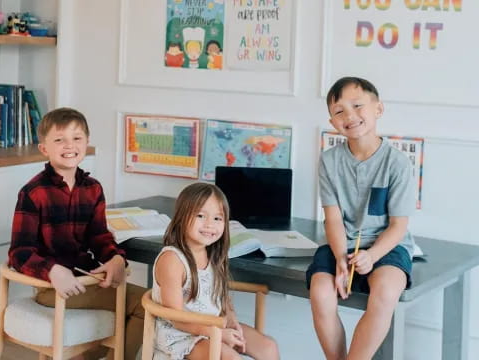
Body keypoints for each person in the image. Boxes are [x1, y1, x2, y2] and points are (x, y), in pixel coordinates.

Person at [8, 107, 146, 360]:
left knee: (145, 304)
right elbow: (19, 252)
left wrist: (116, 259)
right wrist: (53, 270)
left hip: (86, 280)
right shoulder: (33, 192)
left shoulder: (93, 189)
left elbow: (100, 237)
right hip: (51, 287)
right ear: (44, 148)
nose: (69, 145)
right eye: (59, 139)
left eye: (77, 138)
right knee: (146, 306)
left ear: (87, 143)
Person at [306, 77, 415, 360]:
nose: (350, 116)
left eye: (357, 106)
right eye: (340, 111)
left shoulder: (397, 163)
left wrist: (373, 254)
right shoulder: (329, 161)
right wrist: (341, 257)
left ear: (378, 109)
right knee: (320, 293)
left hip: (387, 245)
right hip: (342, 243)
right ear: (332, 122)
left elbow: (398, 225)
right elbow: (332, 219)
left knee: (386, 292)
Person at [152, 182, 280, 360]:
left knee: (268, 347)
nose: (209, 224)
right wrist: (215, 332)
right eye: (200, 216)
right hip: (181, 336)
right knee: (230, 357)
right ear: (182, 217)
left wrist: (231, 317)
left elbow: (220, 295)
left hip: (214, 326)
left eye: (217, 218)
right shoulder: (173, 260)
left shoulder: (213, 254)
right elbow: (177, 317)